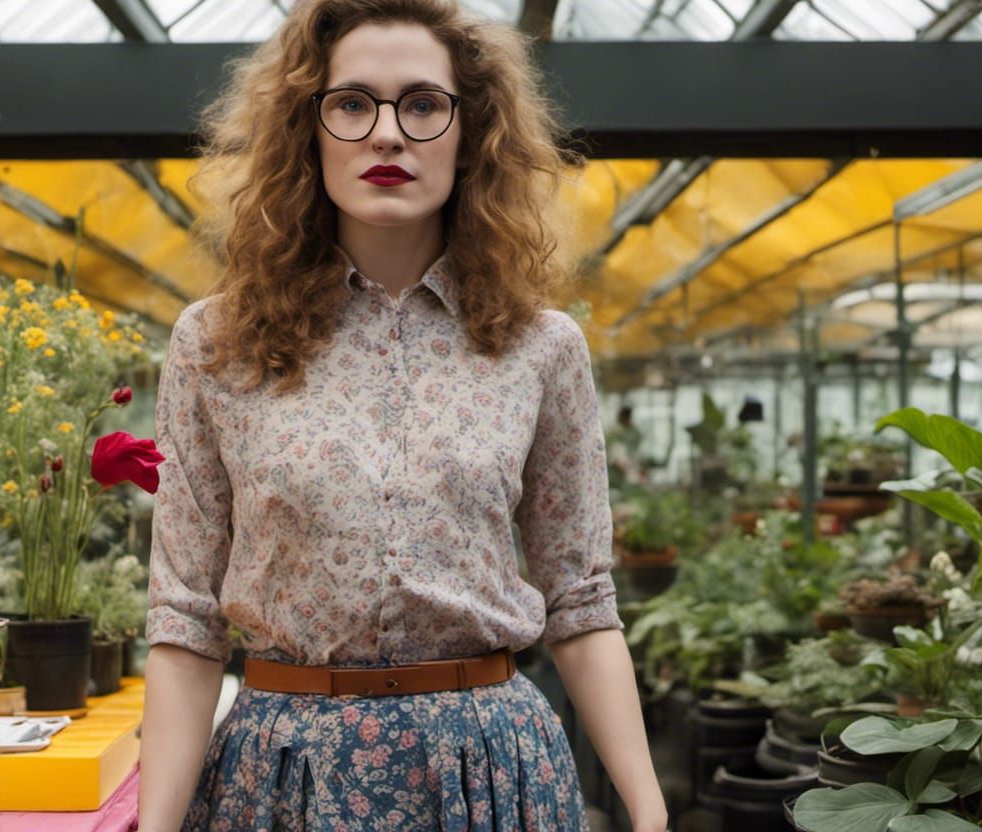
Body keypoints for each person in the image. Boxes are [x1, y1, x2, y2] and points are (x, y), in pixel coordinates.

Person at [136, 1, 668, 829]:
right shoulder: (217, 344)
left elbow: (581, 601)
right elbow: (186, 619)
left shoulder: (540, 347)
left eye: (422, 103)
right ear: (306, 131)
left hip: (489, 775)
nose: (387, 134)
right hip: (286, 778)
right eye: (351, 104)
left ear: (472, 131)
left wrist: (649, 808)